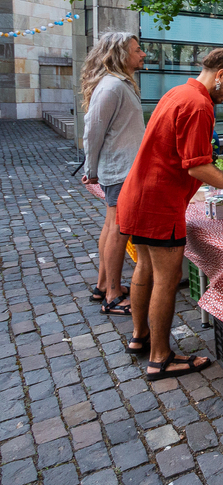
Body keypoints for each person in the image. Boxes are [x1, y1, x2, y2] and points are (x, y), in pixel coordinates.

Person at [117, 45, 223, 379]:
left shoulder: (178, 91)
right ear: (220, 76)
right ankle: (160, 358)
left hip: (139, 196)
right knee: (167, 279)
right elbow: (197, 168)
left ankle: (139, 338)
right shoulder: (199, 103)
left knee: (144, 267)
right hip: (159, 203)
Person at [82, 32, 146, 316]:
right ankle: (112, 295)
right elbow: (93, 130)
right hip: (120, 169)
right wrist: (90, 169)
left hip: (123, 167)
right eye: (137, 49)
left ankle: (102, 286)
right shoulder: (111, 87)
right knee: (118, 230)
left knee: (111, 226)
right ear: (120, 55)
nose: (142, 53)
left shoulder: (119, 84)